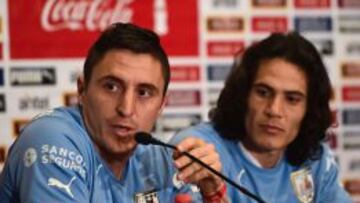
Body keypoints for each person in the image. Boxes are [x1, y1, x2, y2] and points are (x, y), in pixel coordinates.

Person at [0, 23, 226, 202]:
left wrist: (212, 193)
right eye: (111, 86)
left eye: (144, 93)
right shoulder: (52, 139)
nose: (126, 108)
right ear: (82, 89)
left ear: (161, 106)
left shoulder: (158, 159)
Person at [171, 32, 353, 203]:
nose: (274, 110)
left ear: (309, 108)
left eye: (291, 99)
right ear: (243, 94)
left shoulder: (315, 159)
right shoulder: (198, 150)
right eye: (263, 93)